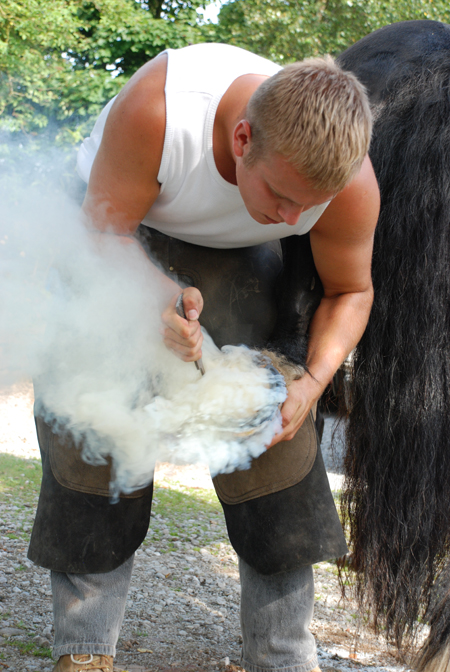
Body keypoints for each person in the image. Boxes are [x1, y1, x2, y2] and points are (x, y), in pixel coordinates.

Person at [28, 43, 379, 672]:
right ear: (242, 137)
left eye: (310, 206)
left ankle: (284, 659)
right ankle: (83, 655)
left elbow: (351, 290)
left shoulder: (344, 184)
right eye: (283, 196)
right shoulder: (158, 111)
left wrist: (314, 383)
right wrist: (158, 297)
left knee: (275, 447)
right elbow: (101, 234)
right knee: (95, 430)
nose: (295, 217)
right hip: (116, 228)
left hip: (240, 251)